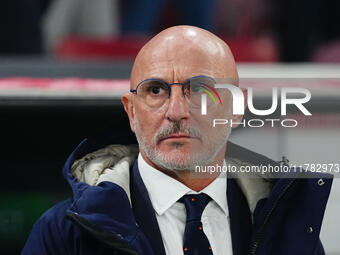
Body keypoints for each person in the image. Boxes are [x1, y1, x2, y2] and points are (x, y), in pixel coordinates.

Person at [22, 26, 332, 255]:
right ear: (131, 111)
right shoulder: (65, 234)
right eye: (155, 90)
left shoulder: (289, 226)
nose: (177, 112)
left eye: (199, 89)